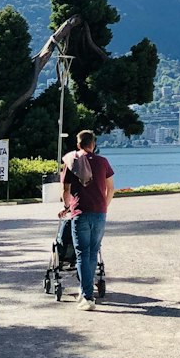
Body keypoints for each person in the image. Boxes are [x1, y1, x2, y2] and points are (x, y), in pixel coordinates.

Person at [60, 130, 114, 310]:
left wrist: (67, 207)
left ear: (78, 144)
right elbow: (110, 189)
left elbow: (65, 190)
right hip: (100, 212)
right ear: (93, 144)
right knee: (92, 252)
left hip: (80, 212)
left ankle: (87, 297)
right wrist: (104, 206)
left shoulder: (71, 161)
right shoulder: (103, 162)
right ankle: (86, 291)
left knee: (82, 253)